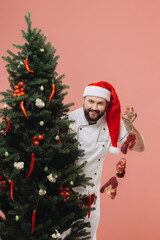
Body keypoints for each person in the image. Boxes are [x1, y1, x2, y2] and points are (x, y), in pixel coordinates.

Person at [68, 81, 145, 240]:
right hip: (64, 194)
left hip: (90, 198)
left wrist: (128, 124)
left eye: (100, 103)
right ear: (84, 100)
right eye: (90, 101)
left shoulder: (112, 123)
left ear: (106, 105)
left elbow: (140, 147)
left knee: (87, 237)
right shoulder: (68, 120)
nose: (94, 107)